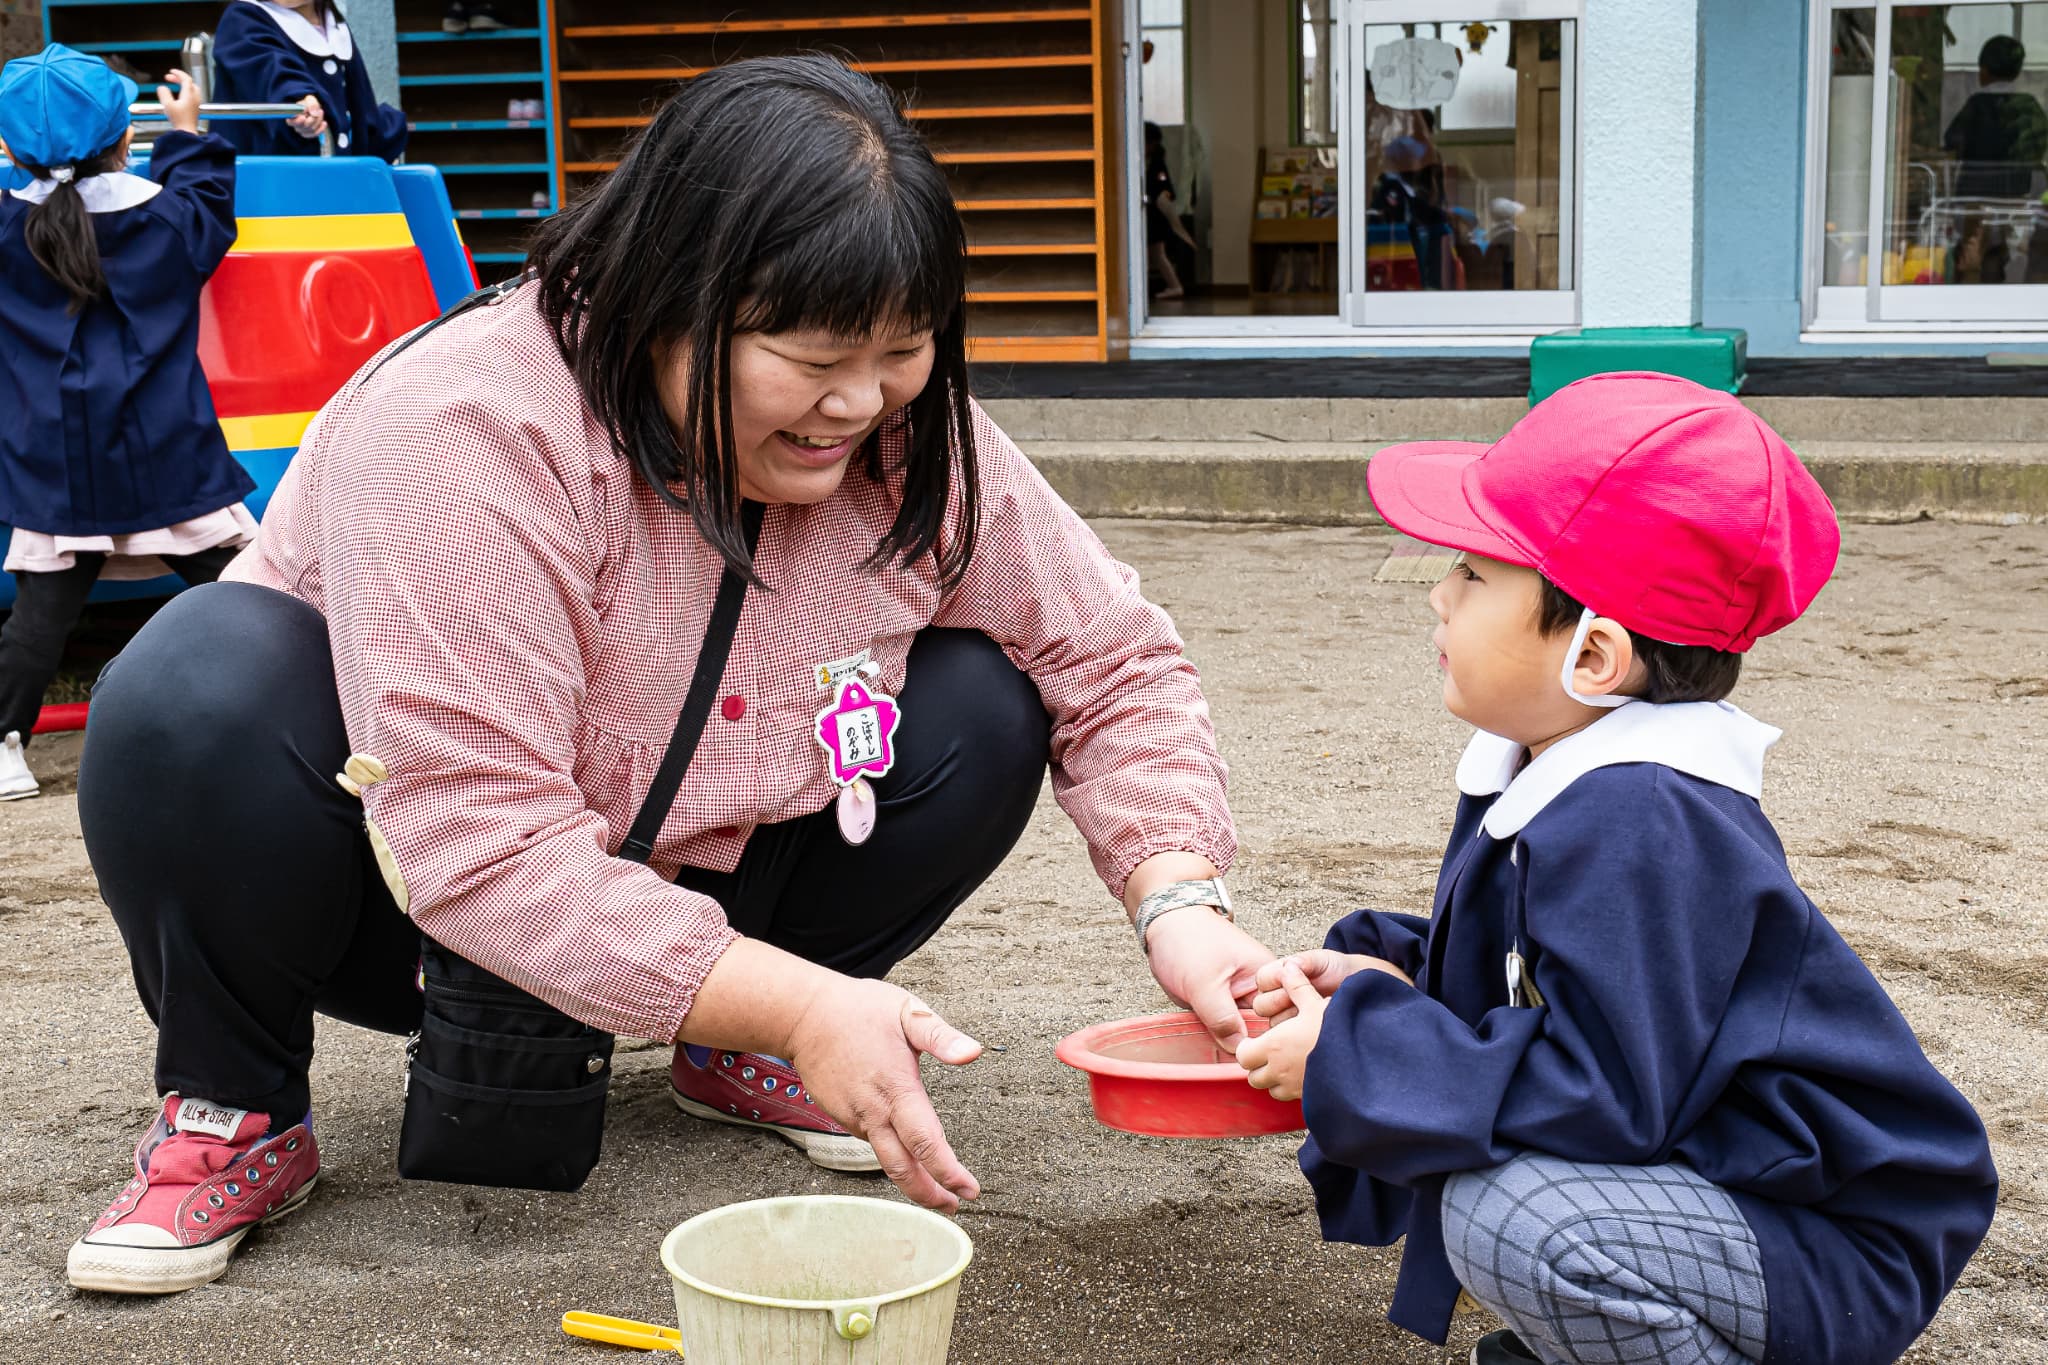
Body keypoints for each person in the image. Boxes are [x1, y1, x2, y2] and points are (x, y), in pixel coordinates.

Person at [64, 54, 1272, 1294]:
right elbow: (477, 842)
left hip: (721, 879)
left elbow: (1113, 657)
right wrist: (804, 1007)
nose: (858, 403)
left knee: (983, 700)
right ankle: (234, 1105)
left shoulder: (913, 439)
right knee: (194, 681)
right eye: (811, 360)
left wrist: (1179, 905)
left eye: (902, 349)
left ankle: (746, 1030)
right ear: (666, 298)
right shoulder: (473, 425)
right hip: (405, 911)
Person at [1236, 374, 1997, 1365]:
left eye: (1472, 572)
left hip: (1828, 1236)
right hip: (1732, 1190)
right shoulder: (1562, 766)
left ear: (1592, 655)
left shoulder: (1642, 815)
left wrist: (1362, 1053)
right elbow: (1549, 979)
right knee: (1512, 1196)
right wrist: (1398, 982)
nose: (1436, 590)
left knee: (1511, 1218)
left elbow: (1606, 1095)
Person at [0, 48, 255, 803]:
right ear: (124, 139)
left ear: (12, 149)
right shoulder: (168, 218)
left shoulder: (9, 233)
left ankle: (3, 740)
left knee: (40, 617)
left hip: (57, 459)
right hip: (166, 451)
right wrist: (187, 130)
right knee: (254, 587)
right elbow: (208, 196)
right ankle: (313, 702)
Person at [209, 0, 407, 160]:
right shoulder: (242, 20)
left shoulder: (334, 26)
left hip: (337, 183)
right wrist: (299, 99)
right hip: (268, 187)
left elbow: (360, 103)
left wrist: (384, 132)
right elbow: (269, 68)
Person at [1942, 34, 2047, 284]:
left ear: (1984, 70)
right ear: (2018, 71)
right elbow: (2039, 144)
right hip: (2018, 195)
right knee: (2006, 253)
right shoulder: (2029, 105)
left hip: (1974, 197)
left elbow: (1951, 140)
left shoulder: (1976, 105)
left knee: (1972, 253)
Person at [1143, 120, 1196, 300]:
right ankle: (1173, 286)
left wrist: (1158, 197)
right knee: (1156, 256)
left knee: (1158, 255)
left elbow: (1167, 190)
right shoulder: (1142, 161)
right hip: (1149, 216)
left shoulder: (1157, 163)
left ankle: (1175, 286)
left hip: (1155, 218)